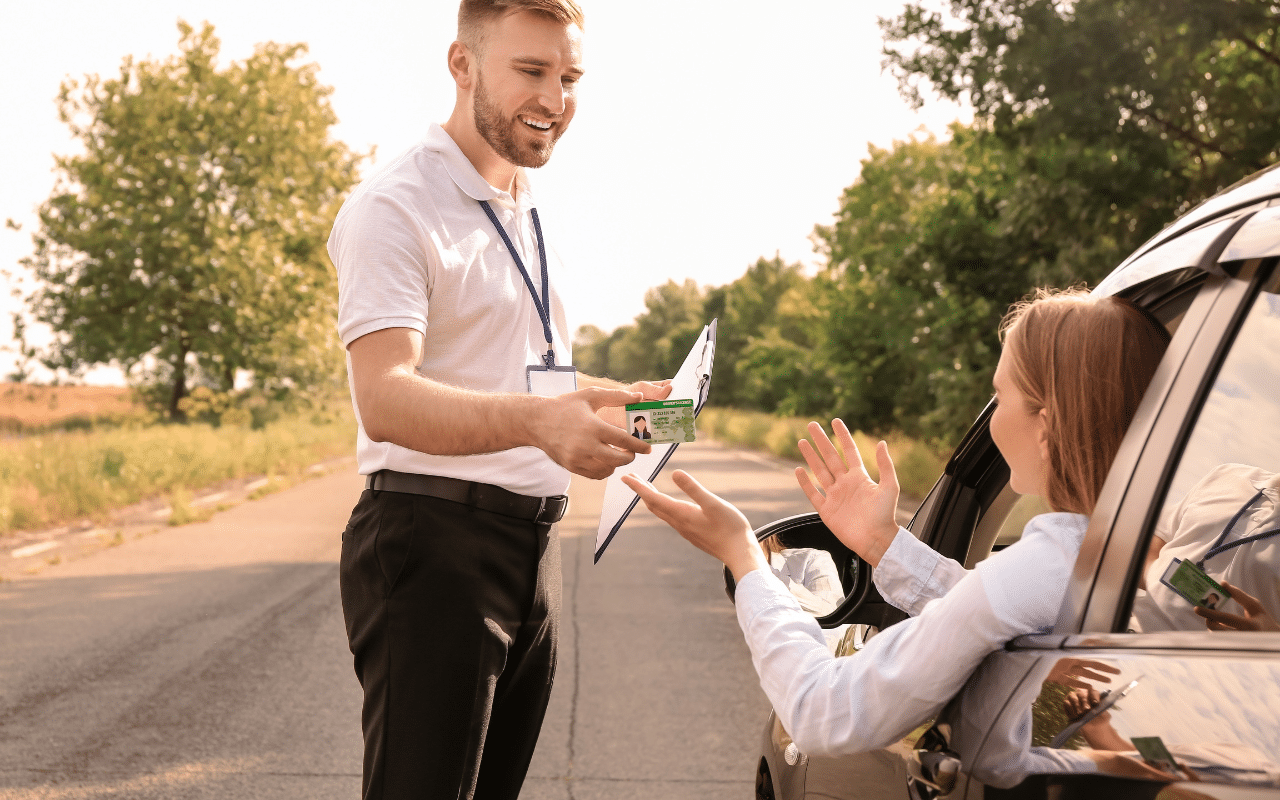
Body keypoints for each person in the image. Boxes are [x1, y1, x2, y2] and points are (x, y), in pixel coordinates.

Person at [624, 288, 1173, 786]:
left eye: (999, 397)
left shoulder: (1049, 563)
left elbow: (824, 712)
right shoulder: (1152, 557)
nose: (994, 418)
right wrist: (884, 543)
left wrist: (744, 558)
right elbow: (991, 612)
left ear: (1046, 425)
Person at [328, 2, 670, 798]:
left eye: (569, 76)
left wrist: (603, 401)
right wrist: (540, 424)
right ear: (463, 65)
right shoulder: (394, 205)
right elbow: (384, 399)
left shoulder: (526, 204)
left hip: (531, 552)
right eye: (530, 71)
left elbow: (517, 379)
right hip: (432, 545)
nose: (554, 97)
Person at [1131, 464, 1280, 633]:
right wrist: (1151, 572)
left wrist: (1273, 638)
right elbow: (1156, 536)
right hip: (1127, 635)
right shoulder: (1228, 475)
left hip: (1205, 658)